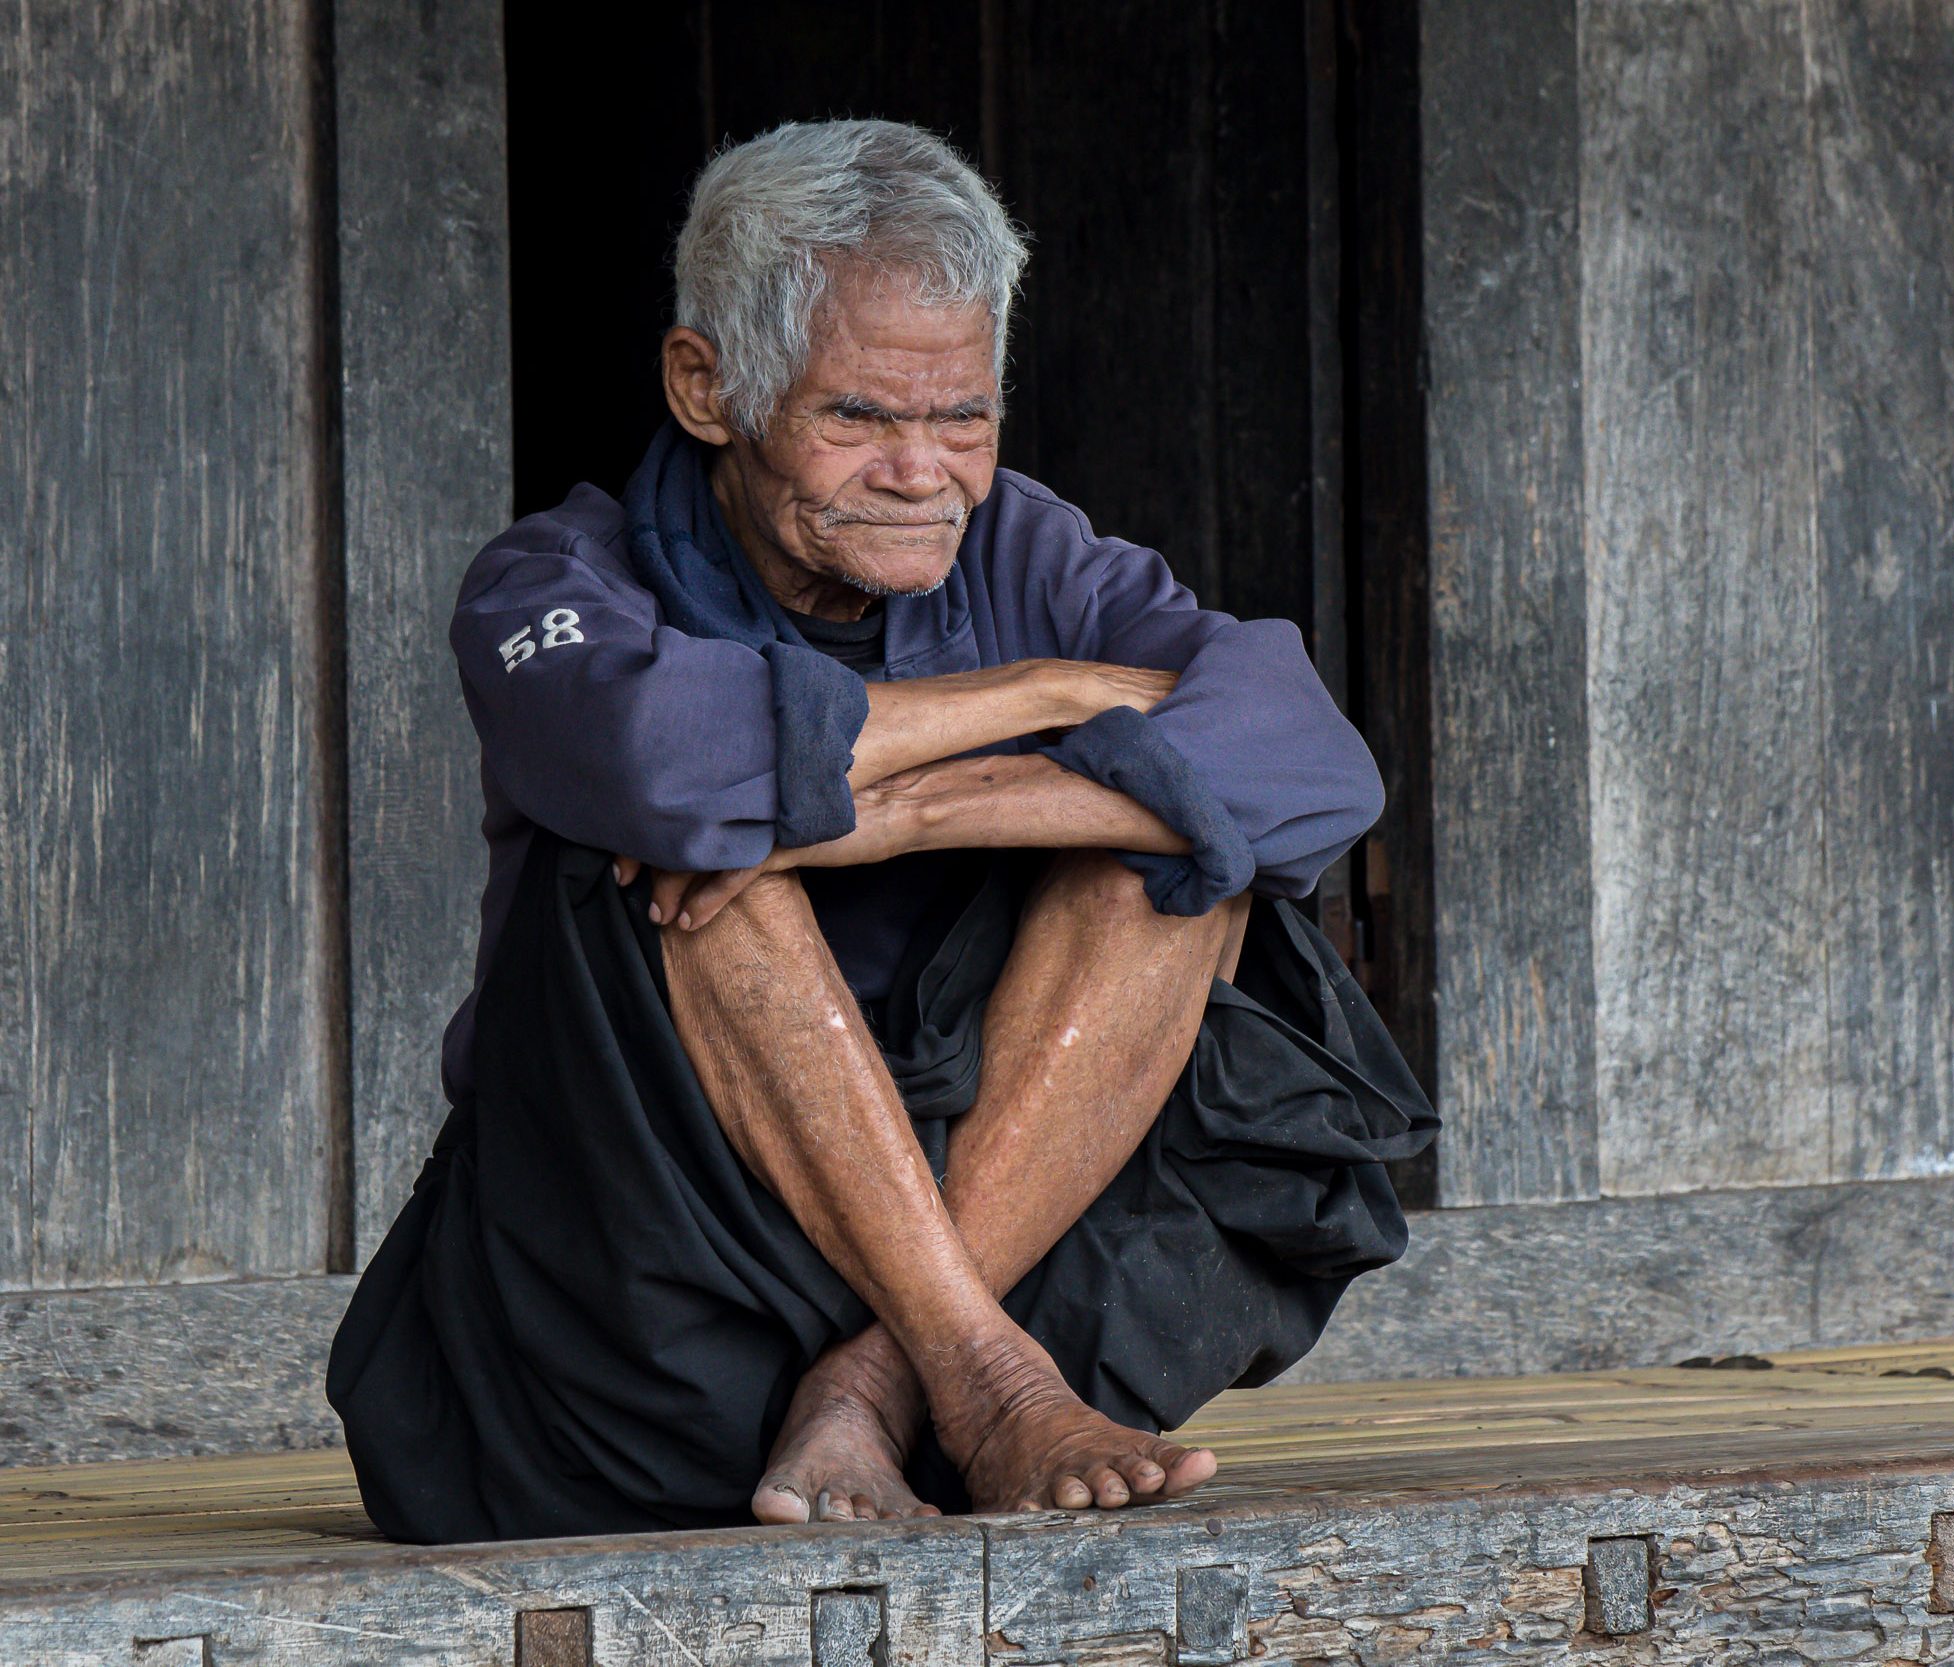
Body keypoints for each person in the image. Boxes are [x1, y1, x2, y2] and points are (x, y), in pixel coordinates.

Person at [326, 118, 1435, 1542]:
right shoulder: (555, 577)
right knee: (702, 862)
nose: (923, 474)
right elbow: (659, 757)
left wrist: (911, 813)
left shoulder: (1037, 550)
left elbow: (1316, 768)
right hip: (633, 1317)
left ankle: (895, 1379)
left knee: (1170, 862)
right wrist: (1029, 696)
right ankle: (966, 1370)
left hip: (1002, 1248)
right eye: (857, 418)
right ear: (706, 384)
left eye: (961, 418)